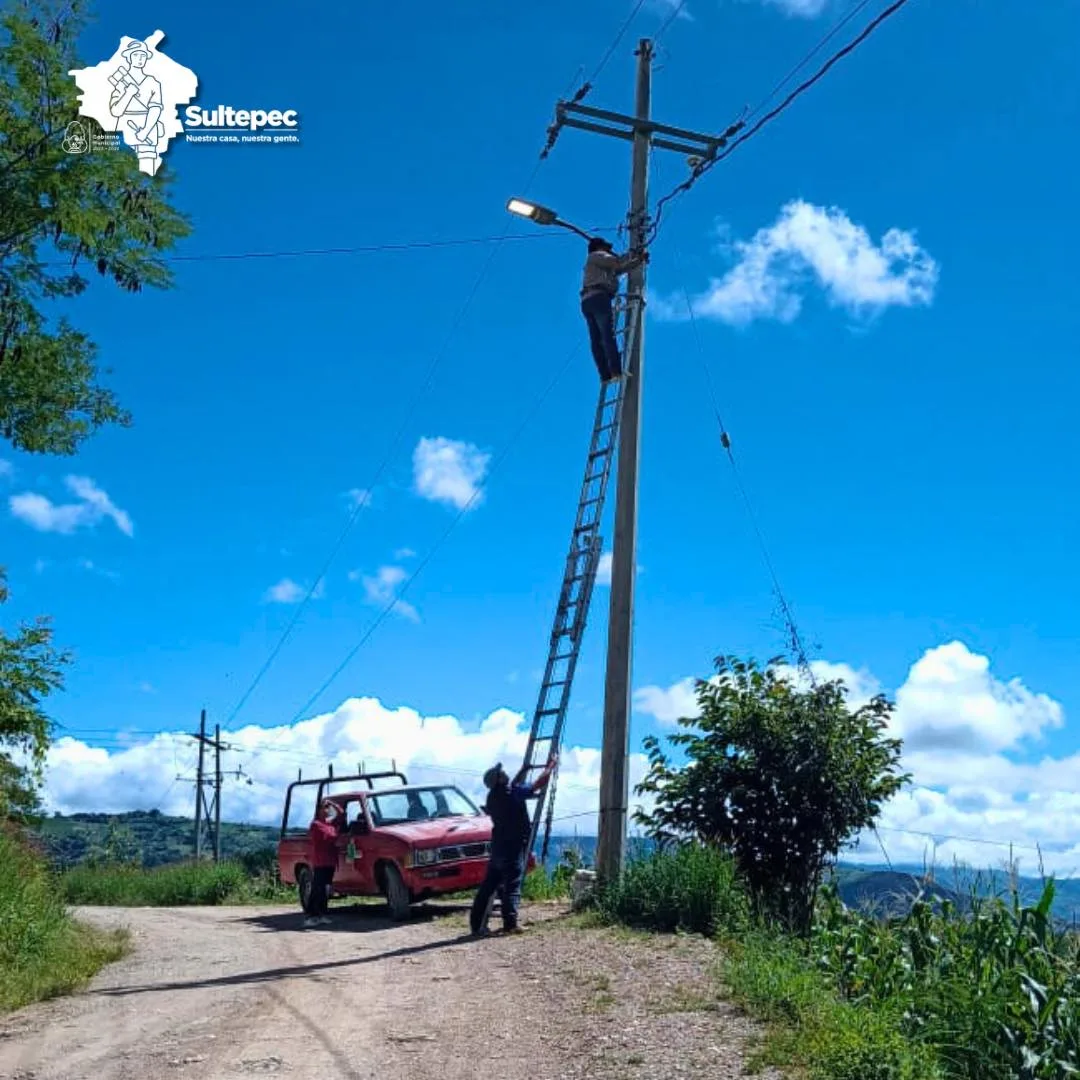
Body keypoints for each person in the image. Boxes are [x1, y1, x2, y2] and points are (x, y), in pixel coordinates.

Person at [469, 752, 558, 938]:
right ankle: (510, 925)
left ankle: (476, 925)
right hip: (513, 846)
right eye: (501, 773)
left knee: (488, 887)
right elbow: (536, 785)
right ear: (499, 780)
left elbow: (514, 786)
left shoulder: (492, 797)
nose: (504, 774)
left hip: (498, 846)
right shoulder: (512, 792)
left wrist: (522, 771)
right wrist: (550, 766)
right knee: (512, 886)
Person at [580, 237, 648, 383]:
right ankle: (616, 371)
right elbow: (616, 262)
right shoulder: (596, 255)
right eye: (607, 248)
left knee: (596, 339)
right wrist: (634, 252)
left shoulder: (598, 266)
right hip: (599, 298)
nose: (609, 251)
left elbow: (620, 268)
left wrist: (638, 260)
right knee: (606, 336)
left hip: (587, 300)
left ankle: (605, 376)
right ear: (599, 247)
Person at [306, 798, 343, 928]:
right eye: (325, 807)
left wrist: (333, 803)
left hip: (330, 861)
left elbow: (341, 814)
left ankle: (322, 914)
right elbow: (326, 840)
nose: (327, 810)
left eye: (328, 808)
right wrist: (335, 837)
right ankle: (312, 915)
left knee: (326, 889)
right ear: (319, 810)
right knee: (318, 888)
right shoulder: (316, 825)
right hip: (321, 861)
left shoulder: (330, 824)